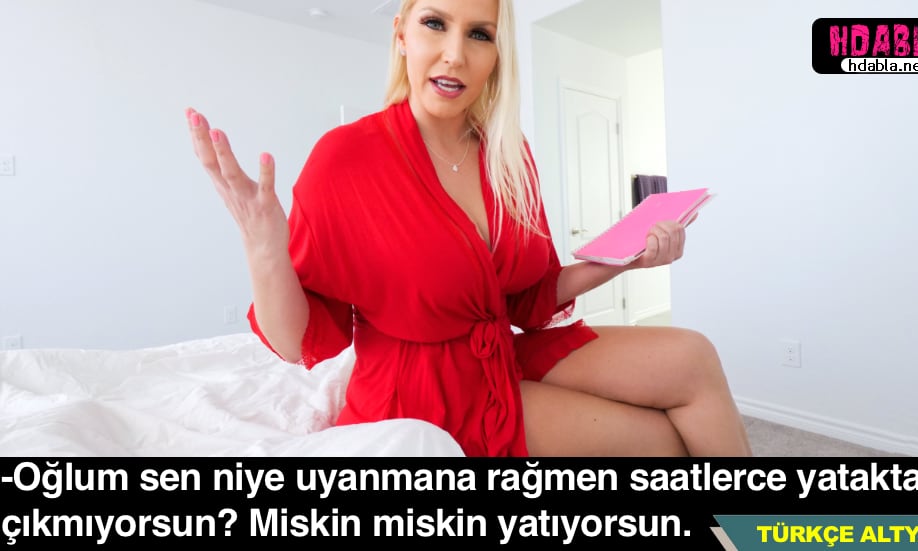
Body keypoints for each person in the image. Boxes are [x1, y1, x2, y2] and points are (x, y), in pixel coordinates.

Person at [185, 0, 752, 457]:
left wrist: (627, 258)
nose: (455, 54)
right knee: (662, 442)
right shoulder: (344, 158)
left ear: (497, 55)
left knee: (691, 356)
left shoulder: (509, 154)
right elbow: (300, 342)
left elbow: (528, 298)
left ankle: (770, 532)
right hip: (420, 390)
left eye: (480, 34)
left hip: (499, 353)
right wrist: (264, 248)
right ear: (401, 34)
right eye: (435, 23)